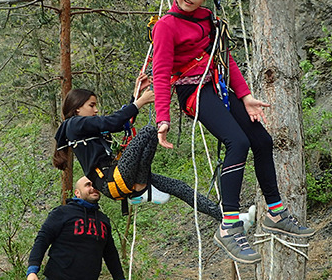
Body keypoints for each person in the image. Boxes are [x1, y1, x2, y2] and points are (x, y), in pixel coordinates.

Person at [151, 0, 315, 264]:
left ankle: (275, 214)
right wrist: (163, 118)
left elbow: (225, 59)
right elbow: (160, 74)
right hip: (194, 91)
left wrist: (246, 96)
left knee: (262, 140)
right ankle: (229, 226)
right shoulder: (166, 26)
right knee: (237, 143)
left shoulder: (209, 19)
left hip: (219, 84)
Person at [53, 74, 254, 228]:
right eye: (91, 105)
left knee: (179, 187)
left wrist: (136, 95)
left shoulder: (82, 126)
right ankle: (141, 188)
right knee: (150, 131)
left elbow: (121, 123)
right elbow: (111, 122)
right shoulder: (73, 125)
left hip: (118, 176)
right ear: (77, 108)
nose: (95, 110)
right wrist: (138, 103)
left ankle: (231, 219)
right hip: (111, 179)